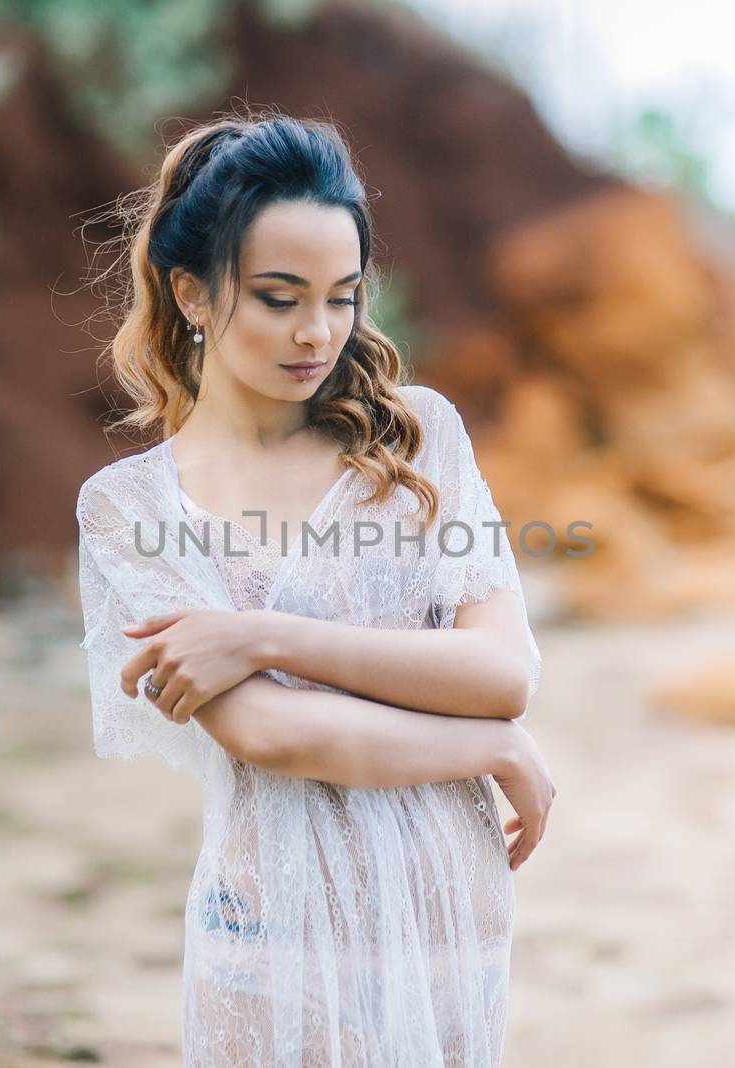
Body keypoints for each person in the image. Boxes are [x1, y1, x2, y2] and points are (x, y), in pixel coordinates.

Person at [75, 108, 556, 1067]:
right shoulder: (130, 505)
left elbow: (502, 673)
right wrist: (488, 748)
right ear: (193, 294)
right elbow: (273, 735)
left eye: (342, 296)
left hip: (443, 910)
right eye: (279, 296)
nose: (319, 332)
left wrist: (262, 637)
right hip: (274, 928)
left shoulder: (417, 439)